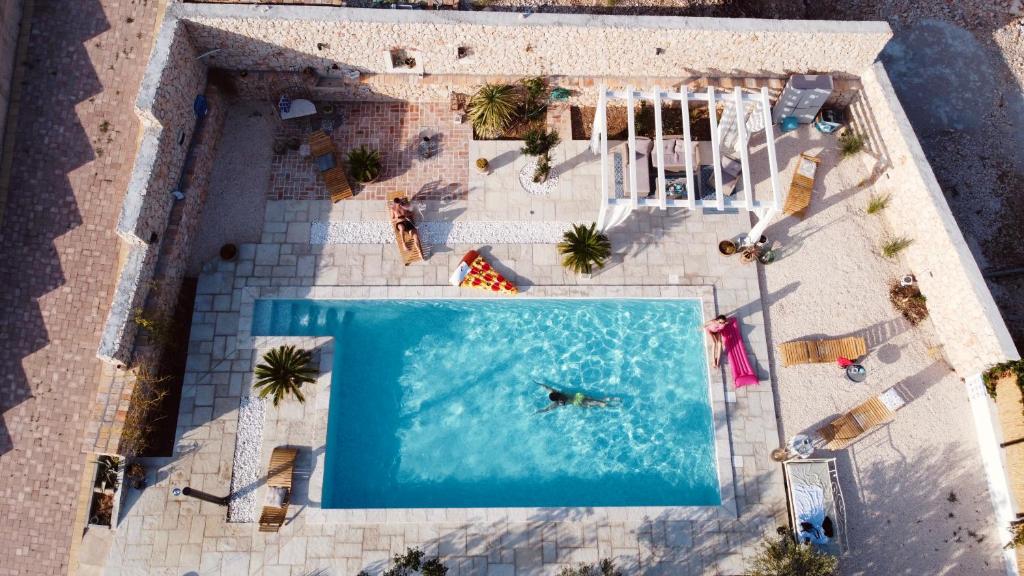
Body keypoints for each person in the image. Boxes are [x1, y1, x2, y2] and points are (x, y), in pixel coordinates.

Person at [535, 383, 617, 413]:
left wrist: (538, 411)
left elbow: (547, 409)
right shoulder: (558, 392)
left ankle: (613, 406)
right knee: (597, 401)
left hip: (578, 402)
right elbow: (547, 387)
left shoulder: (557, 403)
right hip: (579, 396)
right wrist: (538, 384)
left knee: (597, 403)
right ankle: (612, 402)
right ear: (555, 393)